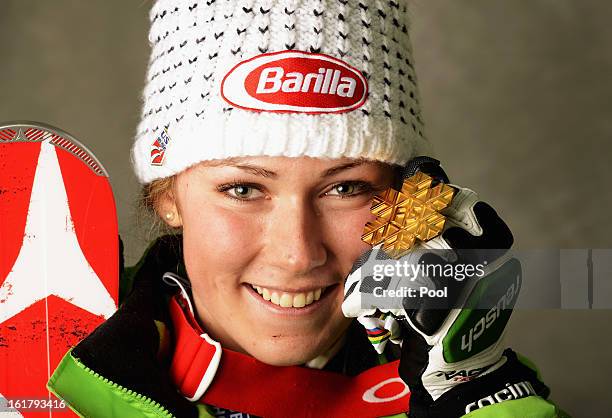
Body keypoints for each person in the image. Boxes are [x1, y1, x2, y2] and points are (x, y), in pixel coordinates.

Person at [47, 1, 569, 417]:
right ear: (168, 195)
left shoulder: (480, 387)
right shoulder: (45, 353)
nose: (298, 254)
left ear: (408, 196)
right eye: (244, 190)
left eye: (345, 189)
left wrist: (469, 393)